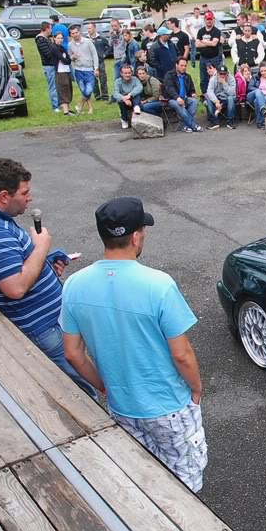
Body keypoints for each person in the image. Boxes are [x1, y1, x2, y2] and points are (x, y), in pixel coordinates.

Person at [61, 197, 207, 493]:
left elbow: (73, 354)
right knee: (185, 474)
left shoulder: (74, 284)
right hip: (168, 405)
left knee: (143, 473)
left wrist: (104, 385)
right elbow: (181, 354)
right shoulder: (158, 285)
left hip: (122, 405)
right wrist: (195, 388)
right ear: (136, 236)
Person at [0, 158, 95, 398]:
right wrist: (40, 248)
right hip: (41, 327)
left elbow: (9, 264)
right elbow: (15, 287)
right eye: (25, 193)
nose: (29, 198)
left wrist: (44, 262)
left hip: (44, 321)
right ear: (3, 196)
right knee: (79, 392)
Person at [163, 58, 202, 133]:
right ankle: (193, 125)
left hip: (185, 98)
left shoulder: (188, 76)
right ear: (176, 65)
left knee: (194, 101)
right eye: (181, 65)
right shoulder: (169, 75)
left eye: (185, 66)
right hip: (171, 99)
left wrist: (193, 94)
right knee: (178, 104)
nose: (183, 67)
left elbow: (191, 89)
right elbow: (169, 89)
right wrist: (177, 97)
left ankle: (185, 125)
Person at [68, 25, 98, 114]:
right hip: (78, 70)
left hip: (89, 69)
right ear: (71, 34)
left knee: (88, 90)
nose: (75, 35)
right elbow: (69, 57)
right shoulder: (70, 45)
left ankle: (80, 105)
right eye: (73, 33)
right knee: (83, 90)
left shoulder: (88, 42)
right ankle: (90, 108)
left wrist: (96, 68)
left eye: (76, 32)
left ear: (79, 32)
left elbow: (94, 54)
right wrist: (73, 56)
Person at [196, 12, 223, 96]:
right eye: (207, 19)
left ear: (213, 20)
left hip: (214, 58)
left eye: (210, 19)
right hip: (203, 58)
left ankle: (216, 94)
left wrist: (203, 41)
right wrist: (209, 43)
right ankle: (205, 96)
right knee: (203, 79)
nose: (209, 21)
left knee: (215, 77)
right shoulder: (201, 31)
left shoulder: (216, 31)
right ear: (204, 20)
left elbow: (214, 44)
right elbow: (197, 44)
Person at [204, 63, 237, 129]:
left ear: (227, 73)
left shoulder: (231, 79)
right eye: (220, 74)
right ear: (217, 73)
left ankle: (230, 121)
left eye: (224, 74)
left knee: (231, 98)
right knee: (208, 98)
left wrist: (224, 83)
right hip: (216, 98)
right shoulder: (213, 79)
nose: (222, 75)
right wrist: (216, 101)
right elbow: (209, 91)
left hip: (226, 99)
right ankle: (214, 121)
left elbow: (232, 93)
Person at [35, 22, 59, 112]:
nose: (52, 30)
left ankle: (59, 103)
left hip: (53, 65)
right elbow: (48, 54)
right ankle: (55, 106)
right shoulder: (41, 39)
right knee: (52, 86)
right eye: (50, 28)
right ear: (47, 29)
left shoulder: (46, 39)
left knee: (57, 85)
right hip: (48, 66)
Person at [246, 62, 266, 129]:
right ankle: (264, 110)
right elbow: (249, 87)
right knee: (258, 92)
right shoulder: (255, 77)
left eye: (264, 70)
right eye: (261, 71)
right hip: (252, 96)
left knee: (256, 101)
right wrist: (260, 91)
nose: (263, 73)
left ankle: (260, 123)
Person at [111, 64, 142, 129]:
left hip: (132, 97)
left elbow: (139, 87)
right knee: (121, 102)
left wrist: (130, 95)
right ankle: (124, 119)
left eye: (129, 73)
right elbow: (115, 93)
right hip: (123, 99)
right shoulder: (117, 81)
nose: (128, 75)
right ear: (121, 74)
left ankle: (136, 106)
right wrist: (124, 98)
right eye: (125, 73)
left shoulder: (135, 79)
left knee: (137, 95)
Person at [86, 22, 110, 102]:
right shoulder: (86, 39)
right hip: (90, 63)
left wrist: (104, 54)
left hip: (100, 62)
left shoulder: (101, 38)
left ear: (94, 28)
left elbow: (109, 47)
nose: (88, 30)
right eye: (87, 28)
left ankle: (105, 96)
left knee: (103, 79)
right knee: (93, 81)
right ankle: (97, 96)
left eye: (90, 28)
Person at [52, 32, 75, 116]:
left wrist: (67, 60)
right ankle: (65, 112)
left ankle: (68, 109)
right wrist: (66, 60)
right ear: (54, 38)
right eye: (58, 38)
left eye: (61, 38)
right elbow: (63, 59)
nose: (60, 40)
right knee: (63, 89)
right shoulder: (54, 48)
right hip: (60, 72)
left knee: (68, 89)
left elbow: (68, 59)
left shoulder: (61, 47)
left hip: (66, 71)